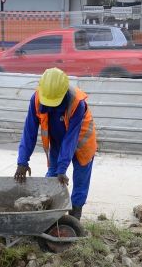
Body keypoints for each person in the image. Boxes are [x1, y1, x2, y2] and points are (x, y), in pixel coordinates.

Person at [14, 67, 97, 221]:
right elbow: (29, 132)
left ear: (63, 92)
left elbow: (71, 138)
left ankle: (74, 219)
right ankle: (47, 218)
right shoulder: (37, 99)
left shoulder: (76, 103)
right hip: (58, 141)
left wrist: (62, 168)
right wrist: (22, 161)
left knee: (80, 181)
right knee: (52, 177)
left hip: (82, 142)